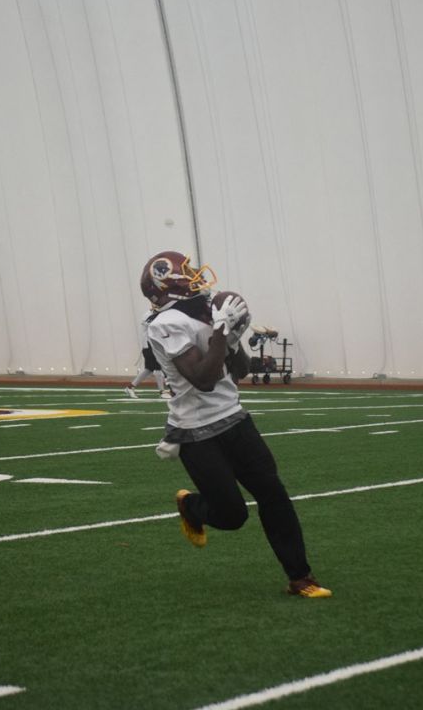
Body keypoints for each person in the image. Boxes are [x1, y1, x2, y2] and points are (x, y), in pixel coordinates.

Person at [140, 250, 332, 598]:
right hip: (196, 432)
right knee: (232, 516)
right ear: (167, 287)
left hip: (234, 420)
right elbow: (202, 379)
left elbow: (241, 370)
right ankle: (191, 505)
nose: (197, 280)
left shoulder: (202, 312)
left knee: (273, 493)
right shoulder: (165, 324)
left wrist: (231, 338)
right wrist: (219, 332)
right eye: (189, 276)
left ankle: (300, 577)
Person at [125, 316, 171, 400]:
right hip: (150, 345)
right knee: (158, 368)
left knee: (149, 369)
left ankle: (130, 387)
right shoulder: (150, 315)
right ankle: (162, 391)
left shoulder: (158, 315)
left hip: (152, 345)